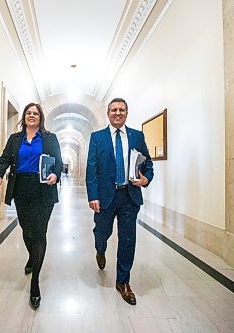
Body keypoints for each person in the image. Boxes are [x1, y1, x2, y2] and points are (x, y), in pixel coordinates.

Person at [0, 102, 63, 310]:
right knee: (26, 230)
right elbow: (4, 158)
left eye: (36, 113)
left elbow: (58, 161)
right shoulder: (15, 139)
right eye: (29, 113)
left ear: (41, 118)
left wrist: (55, 174)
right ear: (24, 117)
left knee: (39, 232)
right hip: (21, 188)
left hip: (44, 189)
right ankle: (33, 257)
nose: (32, 116)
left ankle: (35, 283)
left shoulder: (50, 138)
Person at [85, 97, 154, 305]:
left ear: (126, 113)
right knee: (102, 232)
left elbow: (148, 163)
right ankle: (100, 248)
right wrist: (93, 195)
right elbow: (92, 169)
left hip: (129, 196)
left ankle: (123, 282)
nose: (117, 113)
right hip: (105, 196)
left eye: (121, 110)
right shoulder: (97, 137)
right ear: (108, 113)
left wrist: (145, 179)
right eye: (114, 110)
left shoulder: (136, 136)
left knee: (127, 240)